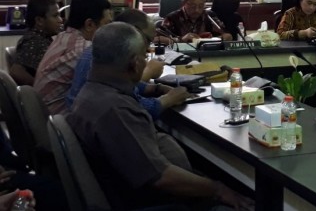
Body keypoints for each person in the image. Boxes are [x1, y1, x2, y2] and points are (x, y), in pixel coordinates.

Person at [67, 22, 253, 210]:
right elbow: (161, 177)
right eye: (144, 56)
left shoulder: (93, 92)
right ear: (134, 64)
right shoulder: (115, 110)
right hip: (154, 200)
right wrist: (218, 189)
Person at [66, 9, 190, 118]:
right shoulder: (110, 57)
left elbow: (122, 86)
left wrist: (153, 88)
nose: (147, 49)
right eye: (147, 40)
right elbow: (133, 109)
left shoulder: (103, 49)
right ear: (134, 32)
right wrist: (168, 99)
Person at [33, 0, 112, 115]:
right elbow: (113, 84)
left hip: (44, 115)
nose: (111, 31)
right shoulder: (84, 50)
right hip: (59, 121)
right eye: (107, 25)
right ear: (89, 25)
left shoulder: (63, 36)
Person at [10, 0, 63, 86]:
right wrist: (40, 87)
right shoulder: (34, 41)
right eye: (55, 16)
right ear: (39, 20)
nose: (60, 20)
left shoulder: (42, 37)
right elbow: (16, 71)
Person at [161, 0, 233, 43]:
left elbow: (228, 36)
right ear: (184, 3)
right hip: (181, 55)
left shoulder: (209, 16)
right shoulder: (172, 18)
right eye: (193, 6)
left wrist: (212, 40)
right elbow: (157, 38)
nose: (197, 10)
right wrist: (180, 40)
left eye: (201, 6)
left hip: (207, 55)